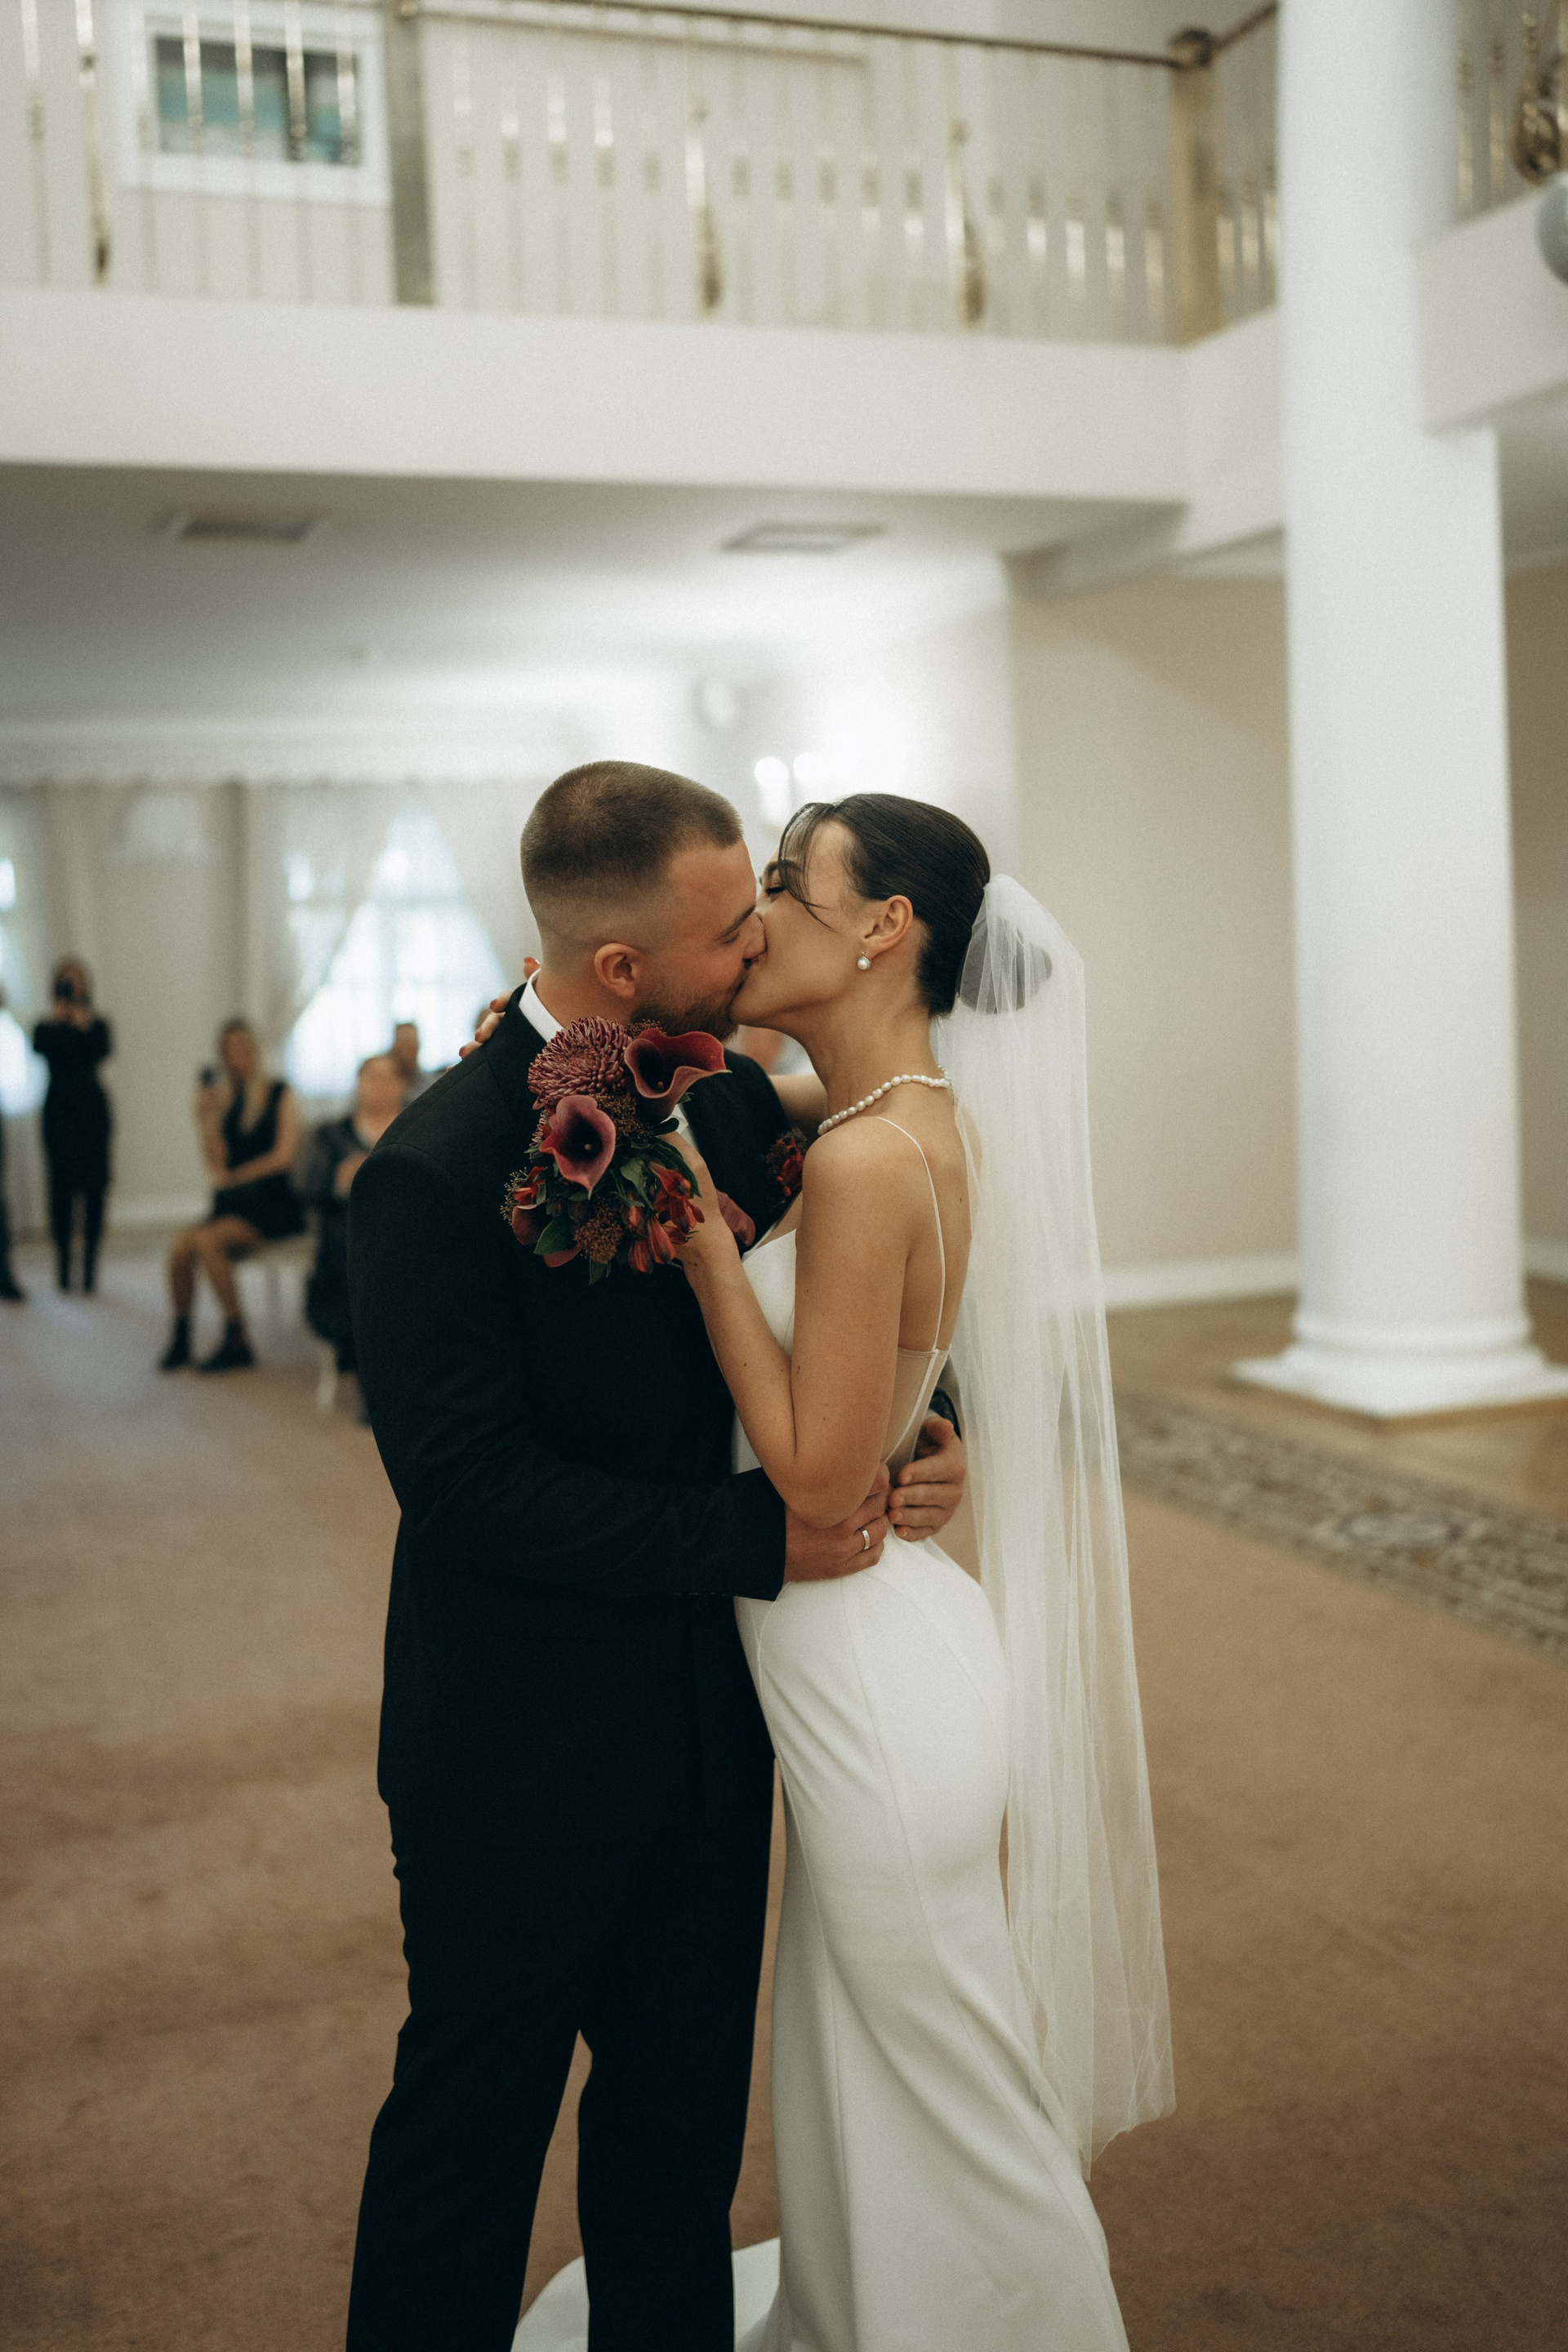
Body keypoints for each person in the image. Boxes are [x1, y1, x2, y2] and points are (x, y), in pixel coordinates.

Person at [519, 797, 1174, 2352]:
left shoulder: (874, 1154)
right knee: (856, 2039)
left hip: (867, 1661)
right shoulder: (883, 1111)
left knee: (944, 2057)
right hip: (880, 1641)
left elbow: (818, 1481)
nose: (757, 920)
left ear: (885, 928)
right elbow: (888, 1373)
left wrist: (702, 1254)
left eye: (786, 888)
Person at [344, 762, 969, 2352]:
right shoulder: (433, 1169)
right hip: (518, 1755)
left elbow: (847, 1307)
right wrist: (764, 1534)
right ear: (623, 967)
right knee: (470, 2142)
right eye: (731, 926)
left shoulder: (742, 1105)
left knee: (678, 2145)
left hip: (710, 1737)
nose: (759, 941)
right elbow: (470, 1490)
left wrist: (927, 1427)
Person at [158, 1018, 304, 1374]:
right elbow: (217, 1167)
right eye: (230, 1050)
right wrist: (204, 1121)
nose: (238, 1055)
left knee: (208, 1242)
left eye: (243, 1046)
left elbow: (284, 1156)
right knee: (180, 1249)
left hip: (271, 1202)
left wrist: (240, 1176)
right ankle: (181, 1334)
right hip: (234, 1203)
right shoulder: (228, 1102)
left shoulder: (280, 1093)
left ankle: (236, 1336)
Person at [296, 1053, 408, 1388]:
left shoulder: (419, 1129)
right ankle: (370, 1371)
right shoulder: (331, 1135)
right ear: (358, 1084)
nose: (379, 1086)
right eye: (371, 1077)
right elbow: (304, 1188)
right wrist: (337, 1180)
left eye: (387, 1078)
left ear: (401, 1085)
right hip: (347, 1247)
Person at [33, 956, 112, 1294]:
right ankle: (64, 1266)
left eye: (75, 980)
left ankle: (91, 1266)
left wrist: (81, 1022)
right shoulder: (46, 1025)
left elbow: (103, 1050)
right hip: (58, 1114)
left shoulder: (96, 1023)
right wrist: (58, 1020)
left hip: (92, 1113)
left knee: (95, 1190)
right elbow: (39, 1047)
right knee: (60, 1192)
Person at [390, 1020, 439, 1102]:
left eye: (412, 1043)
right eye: (404, 1044)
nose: (409, 1050)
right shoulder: (384, 1084)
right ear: (395, 1047)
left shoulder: (431, 1085)